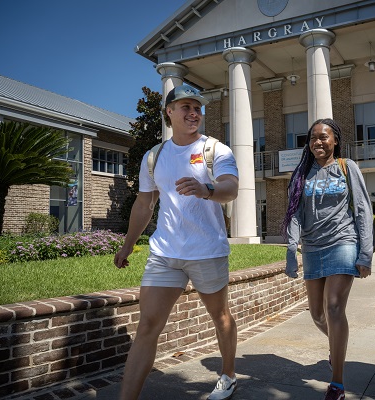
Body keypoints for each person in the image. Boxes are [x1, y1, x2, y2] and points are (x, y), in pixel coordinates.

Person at [114, 84, 239, 400]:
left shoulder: (216, 150)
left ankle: (228, 373)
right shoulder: (154, 157)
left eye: (197, 108)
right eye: (185, 107)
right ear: (169, 112)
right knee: (147, 327)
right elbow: (145, 204)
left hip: (206, 250)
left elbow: (231, 187)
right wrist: (128, 245)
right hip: (165, 252)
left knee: (220, 318)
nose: (193, 113)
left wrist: (206, 189)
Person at [282, 118, 374, 400]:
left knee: (334, 308)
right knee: (317, 314)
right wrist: (290, 247)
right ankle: (337, 348)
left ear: (336, 140)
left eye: (324, 137)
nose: (318, 142)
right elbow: (295, 213)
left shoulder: (347, 168)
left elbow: (362, 209)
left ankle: (337, 383)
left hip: (343, 242)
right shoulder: (301, 174)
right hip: (312, 248)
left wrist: (365, 253)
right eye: (312, 138)